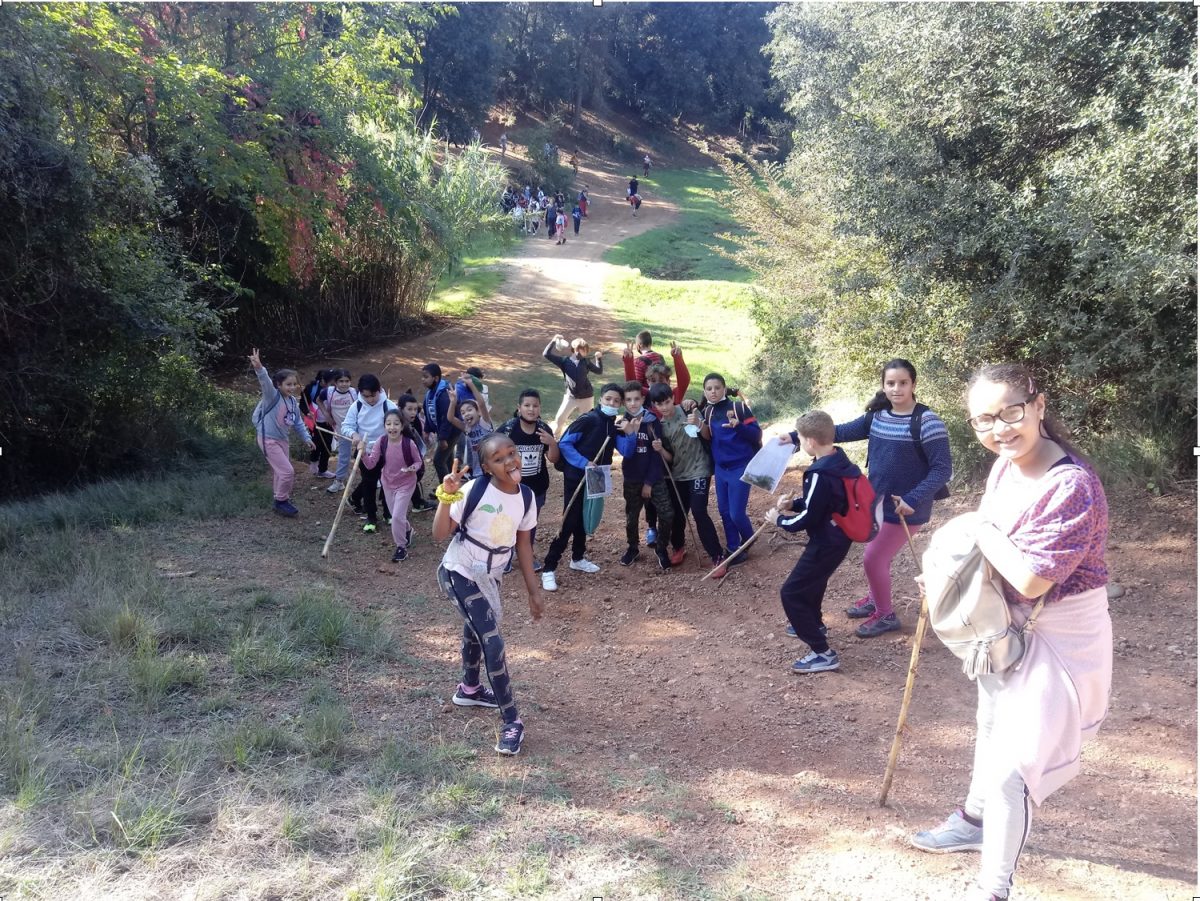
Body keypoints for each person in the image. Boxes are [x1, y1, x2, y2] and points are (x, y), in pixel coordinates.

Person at [910, 363, 1112, 901]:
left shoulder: (1071, 486)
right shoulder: (1005, 467)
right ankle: (974, 821)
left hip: (1062, 635)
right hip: (1003, 623)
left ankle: (993, 889)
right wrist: (947, 574)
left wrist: (975, 528)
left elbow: (1031, 577)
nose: (999, 429)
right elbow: (996, 552)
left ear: (1038, 406)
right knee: (990, 722)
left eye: (1010, 413)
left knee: (1012, 769)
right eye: (983, 420)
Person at [433, 435, 544, 757]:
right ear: (486, 467)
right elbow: (439, 534)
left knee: (477, 625)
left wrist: (533, 591)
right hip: (459, 571)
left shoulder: (526, 497)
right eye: (499, 458)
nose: (509, 461)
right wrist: (446, 496)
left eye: (512, 453)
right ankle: (512, 721)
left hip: (490, 577)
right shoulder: (474, 490)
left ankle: (470, 689)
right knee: (492, 641)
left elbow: (524, 545)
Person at [830, 358, 952, 637]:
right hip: (877, 503)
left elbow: (942, 469)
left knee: (873, 558)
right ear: (883, 386)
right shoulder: (877, 417)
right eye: (891, 383)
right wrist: (798, 434)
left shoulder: (928, 422)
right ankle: (876, 598)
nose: (897, 389)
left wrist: (913, 498)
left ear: (913, 384)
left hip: (907, 508)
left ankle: (885, 616)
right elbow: (839, 432)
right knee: (878, 556)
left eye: (903, 383)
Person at [769, 411, 862, 672]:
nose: (800, 442)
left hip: (826, 542)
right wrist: (793, 504)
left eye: (800, 438)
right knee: (815, 581)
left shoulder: (820, 472)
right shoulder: (838, 459)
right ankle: (816, 623)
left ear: (810, 441)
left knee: (791, 592)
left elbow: (809, 517)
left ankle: (822, 652)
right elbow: (820, 502)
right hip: (838, 537)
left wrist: (780, 520)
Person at [539, 383, 624, 591]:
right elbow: (565, 443)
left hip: (598, 476)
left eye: (616, 401)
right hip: (577, 476)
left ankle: (577, 557)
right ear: (600, 400)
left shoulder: (613, 425)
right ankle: (549, 567)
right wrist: (584, 462)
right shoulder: (588, 419)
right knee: (570, 518)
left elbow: (625, 449)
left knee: (585, 516)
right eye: (608, 399)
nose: (612, 403)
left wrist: (630, 433)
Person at [647, 383, 726, 574]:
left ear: (672, 398)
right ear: (654, 405)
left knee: (699, 511)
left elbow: (708, 435)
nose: (664, 407)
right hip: (678, 474)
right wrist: (660, 450)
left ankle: (717, 556)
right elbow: (670, 458)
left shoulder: (687, 409)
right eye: (659, 404)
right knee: (677, 513)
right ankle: (678, 547)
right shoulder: (660, 426)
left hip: (700, 469)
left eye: (667, 402)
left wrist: (698, 423)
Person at [699, 373, 761, 565]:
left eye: (717, 388)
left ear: (724, 389)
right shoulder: (707, 411)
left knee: (736, 513)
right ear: (705, 392)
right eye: (709, 389)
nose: (713, 392)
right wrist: (699, 424)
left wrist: (738, 426)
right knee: (724, 511)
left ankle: (749, 538)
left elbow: (757, 434)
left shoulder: (739, 408)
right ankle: (734, 548)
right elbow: (709, 437)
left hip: (740, 467)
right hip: (721, 468)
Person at [613, 382, 674, 570]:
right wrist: (629, 433)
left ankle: (661, 548)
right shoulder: (620, 424)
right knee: (631, 517)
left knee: (667, 513)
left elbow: (656, 456)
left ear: (643, 399)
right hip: (632, 478)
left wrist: (649, 482)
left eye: (636, 399)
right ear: (624, 402)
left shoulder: (652, 421)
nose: (633, 403)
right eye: (629, 400)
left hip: (654, 478)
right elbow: (626, 453)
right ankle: (632, 548)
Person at [495, 389, 559, 569]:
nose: (531, 409)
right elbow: (493, 454)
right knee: (508, 522)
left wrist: (552, 443)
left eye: (535, 405)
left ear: (540, 408)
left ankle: (526, 555)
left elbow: (553, 459)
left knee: (529, 524)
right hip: (510, 489)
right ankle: (504, 557)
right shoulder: (508, 429)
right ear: (519, 407)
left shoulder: (544, 430)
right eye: (527, 405)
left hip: (536, 489)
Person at [248, 348, 315, 518]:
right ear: (279, 385)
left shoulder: (292, 402)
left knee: (280, 471)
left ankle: (278, 497)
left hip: (283, 440)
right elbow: (265, 382)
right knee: (287, 471)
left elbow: (298, 422)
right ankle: (281, 501)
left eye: (294, 384)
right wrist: (259, 368)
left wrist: (307, 438)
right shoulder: (272, 396)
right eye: (288, 384)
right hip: (268, 439)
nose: (292, 387)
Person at [363, 407, 422, 562]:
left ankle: (401, 547)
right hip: (388, 483)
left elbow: (418, 462)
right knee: (397, 515)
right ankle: (408, 530)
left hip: (406, 483)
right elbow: (370, 464)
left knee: (396, 516)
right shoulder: (381, 442)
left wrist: (412, 468)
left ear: (402, 426)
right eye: (388, 424)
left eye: (396, 423)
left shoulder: (409, 444)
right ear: (384, 426)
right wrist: (362, 454)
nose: (392, 427)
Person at [340, 373, 395, 534]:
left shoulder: (389, 406)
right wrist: (354, 435)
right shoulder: (356, 406)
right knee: (369, 484)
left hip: (386, 451)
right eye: (366, 396)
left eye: (373, 395)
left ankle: (388, 513)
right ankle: (371, 517)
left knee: (388, 483)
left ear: (379, 390)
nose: (370, 399)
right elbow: (346, 426)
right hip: (365, 452)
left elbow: (398, 426)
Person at [543, 335, 604, 437]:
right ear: (576, 349)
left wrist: (599, 359)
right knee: (560, 419)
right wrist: (554, 340)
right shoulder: (564, 361)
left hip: (586, 397)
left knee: (588, 421)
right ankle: (555, 439)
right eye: (583, 350)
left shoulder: (586, 362)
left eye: (586, 350)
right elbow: (546, 354)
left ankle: (586, 440)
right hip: (570, 397)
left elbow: (599, 371)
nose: (585, 353)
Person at [446, 378, 494, 480]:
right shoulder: (467, 428)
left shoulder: (484, 422)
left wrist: (471, 385)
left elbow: (481, 404)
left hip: (493, 469)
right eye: (463, 413)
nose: (466, 414)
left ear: (478, 412)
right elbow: (450, 418)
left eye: (469, 410)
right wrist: (453, 402)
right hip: (477, 471)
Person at [421, 363, 459, 482]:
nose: (423, 379)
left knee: (438, 461)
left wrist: (442, 438)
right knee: (447, 458)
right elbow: (428, 412)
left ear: (436, 378)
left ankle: (446, 489)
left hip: (451, 432)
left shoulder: (444, 395)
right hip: (444, 432)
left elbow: (447, 419)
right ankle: (452, 484)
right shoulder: (430, 392)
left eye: (426, 377)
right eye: (422, 376)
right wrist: (427, 430)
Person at [324, 369, 357, 494]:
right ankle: (339, 481)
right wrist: (326, 414)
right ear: (335, 382)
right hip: (342, 430)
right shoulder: (329, 392)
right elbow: (318, 400)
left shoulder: (354, 393)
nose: (344, 384)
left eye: (347, 381)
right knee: (344, 456)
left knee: (365, 452)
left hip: (357, 429)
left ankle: (374, 478)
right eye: (341, 381)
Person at [302, 369, 336, 478]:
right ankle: (313, 464)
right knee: (316, 444)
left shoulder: (334, 389)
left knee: (327, 446)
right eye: (329, 382)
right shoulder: (310, 388)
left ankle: (323, 470)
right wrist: (307, 412)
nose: (331, 384)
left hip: (328, 422)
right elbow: (303, 403)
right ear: (322, 380)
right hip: (314, 422)